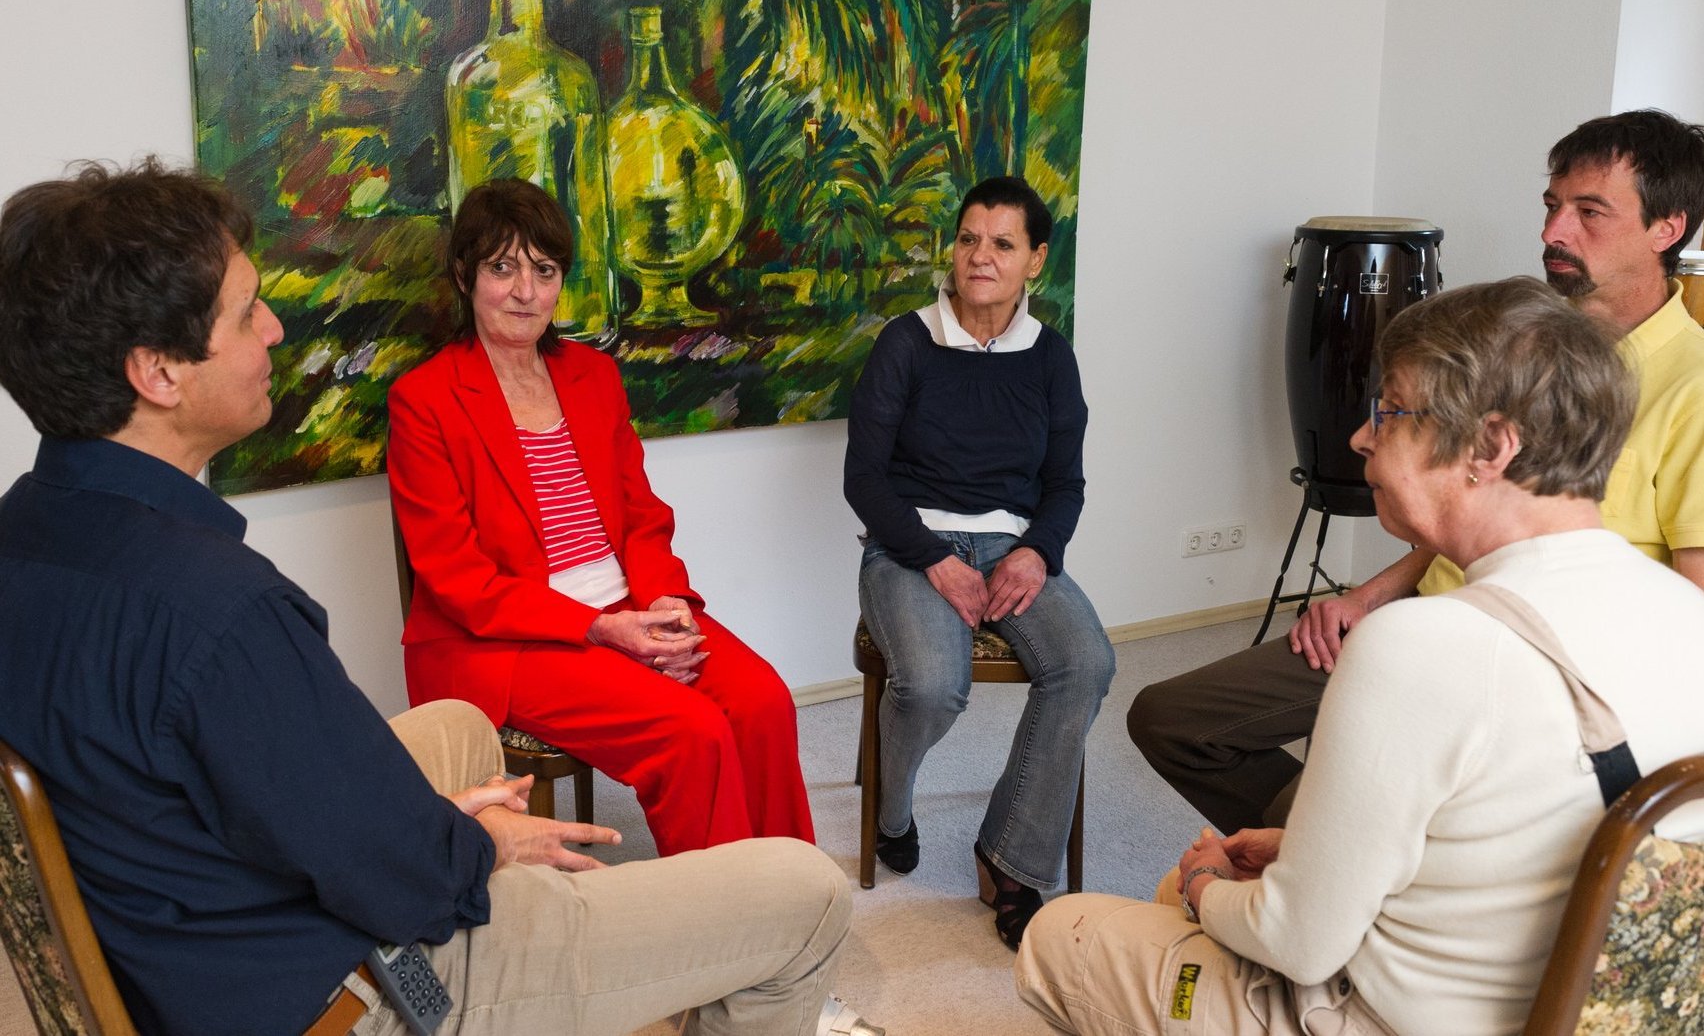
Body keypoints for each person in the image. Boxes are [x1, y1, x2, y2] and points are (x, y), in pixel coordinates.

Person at [0, 161, 875, 1036]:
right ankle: (743, 955)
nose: (272, 328)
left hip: (203, 943)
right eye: (245, 310)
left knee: (679, 709)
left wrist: (654, 609)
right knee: (806, 897)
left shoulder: (28, 538)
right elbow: (402, 873)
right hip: (347, 985)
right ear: (156, 371)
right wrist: (483, 843)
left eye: (544, 269)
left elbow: (284, 800)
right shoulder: (224, 610)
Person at [1018, 276, 1704, 1036]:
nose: (1361, 436)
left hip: (1380, 1020)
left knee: (1068, 931)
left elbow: (1297, 943)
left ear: (1489, 446)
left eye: (1393, 410)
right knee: (1180, 899)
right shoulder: (1686, 614)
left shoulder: (1425, 644)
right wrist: (1300, 850)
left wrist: (1206, 885)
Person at [1129, 108, 1704, 834]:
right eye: (1553, 206)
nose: (1553, 233)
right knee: (1173, 718)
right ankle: (1338, 847)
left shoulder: (1694, 390)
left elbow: (1687, 622)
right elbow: (1470, 509)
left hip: (1524, 673)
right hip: (1424, 617)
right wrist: (1369, 596)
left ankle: (1350, 857)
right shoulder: (1530, 348)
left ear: (1667, 228)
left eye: (1590, 212)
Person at [386, 179, 812, 858]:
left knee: (763, 702)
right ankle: (729, 920)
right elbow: (457, 579)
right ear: (465, 275)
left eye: (545, 270)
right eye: (503, 268)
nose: (526, 291)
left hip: (628, 603)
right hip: (509, 640)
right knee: (691, 730)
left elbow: (641, 515)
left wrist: (666, 603)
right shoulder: (424, 400)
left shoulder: (592, 375)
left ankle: (792, 895)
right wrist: (603, 629)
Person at [843, 175, 1115, 949]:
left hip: (1012, 547)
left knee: (1086, 664)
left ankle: (1012, 859)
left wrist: (1036, 552)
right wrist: (933, 558)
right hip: (908, 543)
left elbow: (1065, 484)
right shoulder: (907, 342)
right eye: (968, 239)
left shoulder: (1049, 357)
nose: (980, 256)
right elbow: (863, 479)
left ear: (1035, 260)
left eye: (1002, 243)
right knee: (931, 685)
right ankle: (892, 813)